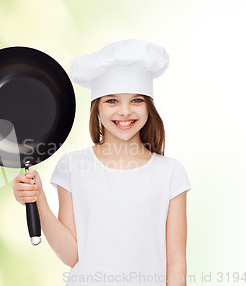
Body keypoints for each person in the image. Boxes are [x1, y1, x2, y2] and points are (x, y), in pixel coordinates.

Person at [12, 39, 191, 286]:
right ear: (97, 107)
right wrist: (39, 198)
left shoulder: (170, 173)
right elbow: (72, 255)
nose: (125, 111)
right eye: (112, 101)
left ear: (149, 106)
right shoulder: (73, 166)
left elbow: (176, 263)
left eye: (137, 100)